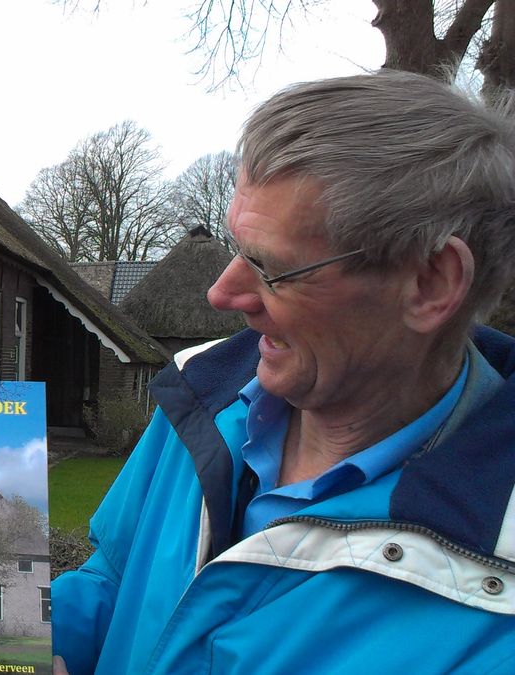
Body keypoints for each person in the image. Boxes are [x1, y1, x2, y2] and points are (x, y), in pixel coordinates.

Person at [51, 70, 515, 674]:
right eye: (236, 247)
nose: (222, 293)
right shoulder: (200, 396)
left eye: (272, 268)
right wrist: (14, 642)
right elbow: (115, 575)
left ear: (430, 283)